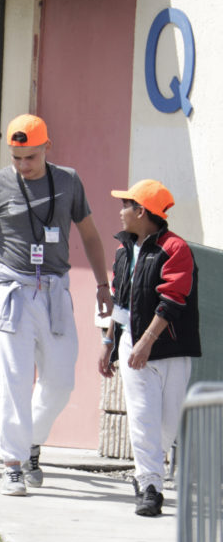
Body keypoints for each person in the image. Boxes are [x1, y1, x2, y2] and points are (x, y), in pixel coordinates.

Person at [0, 114, 113, 496]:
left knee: (61, 380)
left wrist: (102, 284)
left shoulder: (68, 181)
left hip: (55, 289)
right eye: (16, 157)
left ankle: (30, 439)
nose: (23, 165)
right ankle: (12, 461)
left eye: (30, 156)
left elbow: (91, 235)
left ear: (48, 147)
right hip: (10, 286)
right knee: (14, 377)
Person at [98, 179, 200, 517]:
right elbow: (119, 300)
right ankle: (151, 486)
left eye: (125, 204)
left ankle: (149, 474)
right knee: (142, 418)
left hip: (170, 347)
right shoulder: (123, 250)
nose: (120, 211)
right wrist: (110, 341)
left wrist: (147, 341)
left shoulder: (176, 248)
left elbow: (173, 299)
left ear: (142, 211)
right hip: (132, 344)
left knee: (167, 424)